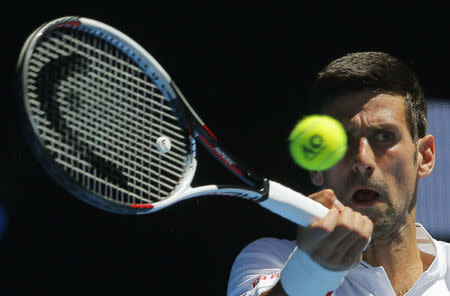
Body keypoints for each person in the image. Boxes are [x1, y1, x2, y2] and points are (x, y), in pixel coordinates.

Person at [227, 51, 450, 296]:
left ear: (425, 157)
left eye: (385, 137)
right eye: (342, 141)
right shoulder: (270, 259)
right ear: (317, 168)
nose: (363, 160)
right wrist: (312, 271)